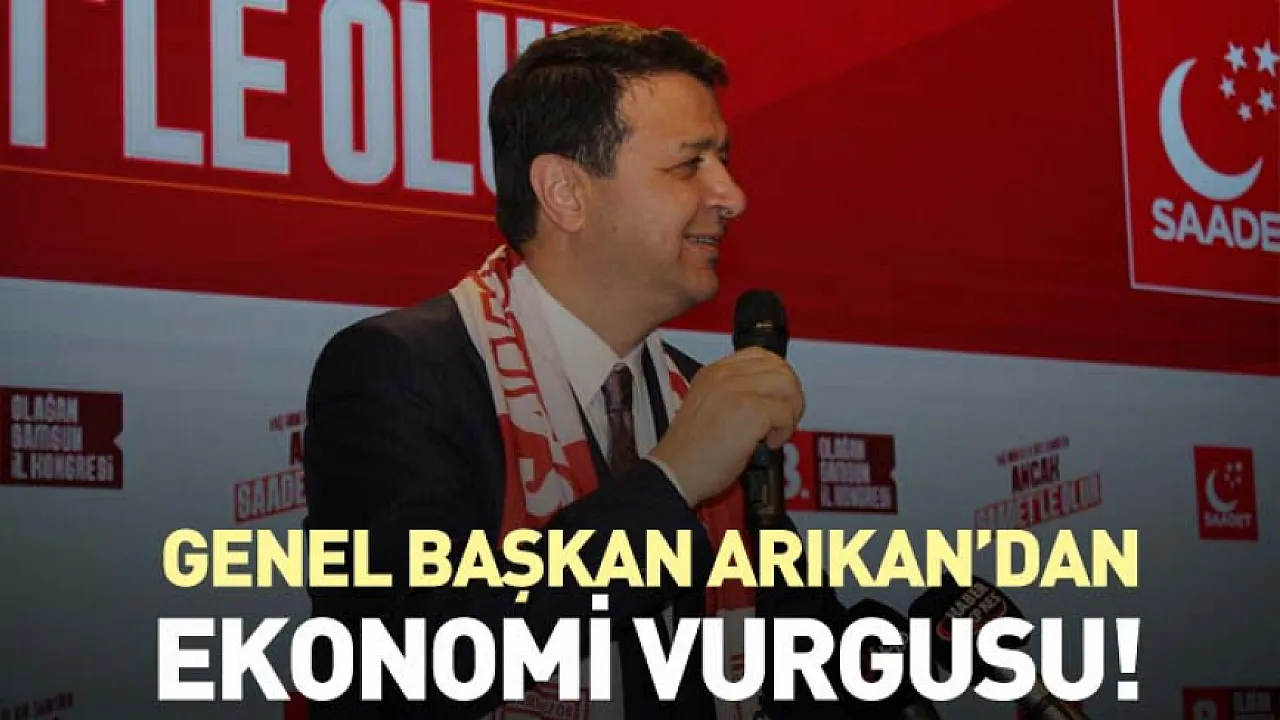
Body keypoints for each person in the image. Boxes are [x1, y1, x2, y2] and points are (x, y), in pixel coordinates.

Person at [302, 22, 847, 720]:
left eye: (724, 160)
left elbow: (803, 665)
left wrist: (918, 646)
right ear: (564, 191)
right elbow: (401, 668)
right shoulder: (401, 372)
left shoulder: (696, 394)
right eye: (690, 165)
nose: (731, 195)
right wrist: (673, 480)